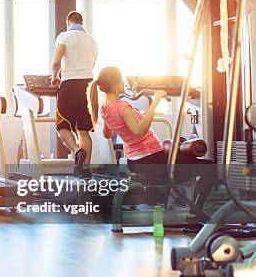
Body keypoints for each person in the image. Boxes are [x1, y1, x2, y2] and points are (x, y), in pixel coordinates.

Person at [89, 66, 217, 212]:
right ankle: (196, 212)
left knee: (182, 151)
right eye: (121, 79)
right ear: (113, 83)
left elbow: (107, 134)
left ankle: (179, 204)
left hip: (137, 160)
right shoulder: (122, 107)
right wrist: (156, 102)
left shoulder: (105, 108)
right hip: (149, 160)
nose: (123, 82)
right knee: (210, 168)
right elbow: (139, 131)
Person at [51, 11, 98, 177]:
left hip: (69, 83)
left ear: (68, 22)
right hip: (89, 86)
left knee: (62, 127)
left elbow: (57, 61)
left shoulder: (64, 36)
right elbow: (92, 64)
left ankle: (77, 151)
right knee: (83, 130)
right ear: (82, 22)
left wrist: (54, 76)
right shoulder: (92, 40)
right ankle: (85, 170)